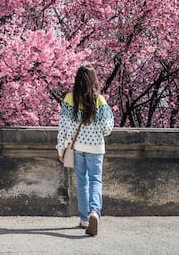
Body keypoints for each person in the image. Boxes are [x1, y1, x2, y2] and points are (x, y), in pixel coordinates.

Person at [56, 65, 114, 236]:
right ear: (94, 80)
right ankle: (94, 212)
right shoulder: (99, 100)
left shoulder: (69, 99)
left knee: (82, 182)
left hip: (77, 147)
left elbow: (63, 127)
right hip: (96, 148)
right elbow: (106, 128)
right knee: (96, 180)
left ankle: (84, 219)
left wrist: (61, 148)